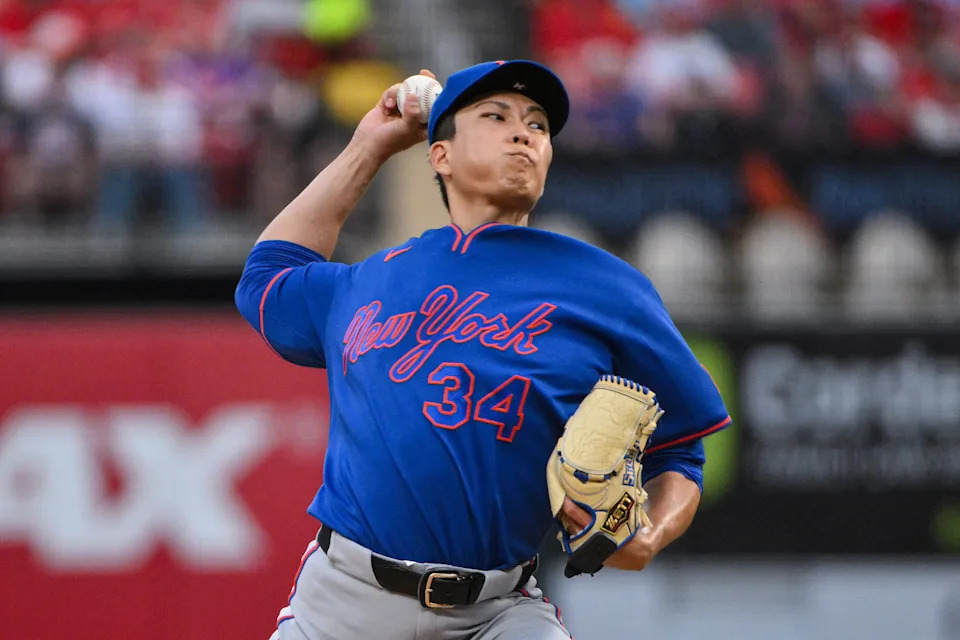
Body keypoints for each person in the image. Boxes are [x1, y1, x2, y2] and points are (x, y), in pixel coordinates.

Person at [235, 60, 730, 640]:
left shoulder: (605, 286)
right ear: (439, 155)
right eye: (495, 116)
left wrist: (652, 532)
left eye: (538, 124)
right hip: (341, 605)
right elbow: (266, 278)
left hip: (496, 613)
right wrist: (369, 147)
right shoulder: (368, 281)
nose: (523, 132)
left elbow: (683, 447)